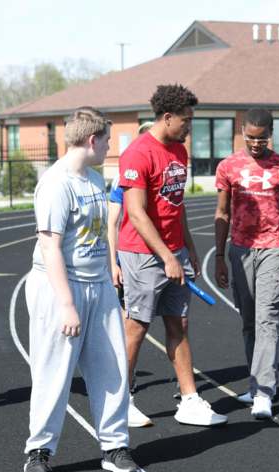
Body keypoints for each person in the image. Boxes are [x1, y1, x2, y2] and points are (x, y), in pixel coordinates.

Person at [22, 107, 140, 472]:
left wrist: (110, 270)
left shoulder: (93, 178)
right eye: (107, 140)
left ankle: (114, 446)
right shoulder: (57, 184)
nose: (109, 147)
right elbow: (50, 247)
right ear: (93, 140)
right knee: (53, 372)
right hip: (60, 289)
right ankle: (38, 452)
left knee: (111, 368)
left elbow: (102, 229)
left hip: (98, 286)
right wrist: (67, 305)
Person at [116, 84, 227, 427]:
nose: (189, 127)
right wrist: (166, 256)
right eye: (186, 120)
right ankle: (121, 400)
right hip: (143, 253)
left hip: (174, 251)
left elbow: (175, 205)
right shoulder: (138, 153)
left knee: (179, 323)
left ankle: (189, 399)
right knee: (136, 326)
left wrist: (189, 248)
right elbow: (136, 212)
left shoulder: (179, 151)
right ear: (167, 117)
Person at [213, 108, 279, 419]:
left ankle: (264, 392)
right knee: (249, 322)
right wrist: (220, 257)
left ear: (270, 134)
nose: (255, 143)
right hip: (240, 250)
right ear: (242, 132)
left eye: (261, 138)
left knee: (268, 320)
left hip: (274, 249)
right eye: (250, 138)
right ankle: (254, 384)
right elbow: (222, 213)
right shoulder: (228, 167)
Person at [107, 120, 155, 428]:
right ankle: (124, 397)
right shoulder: (124, 180)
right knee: (129, 327)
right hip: (130, 256)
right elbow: (112, 222)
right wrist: (113, 263)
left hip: (155, 256)